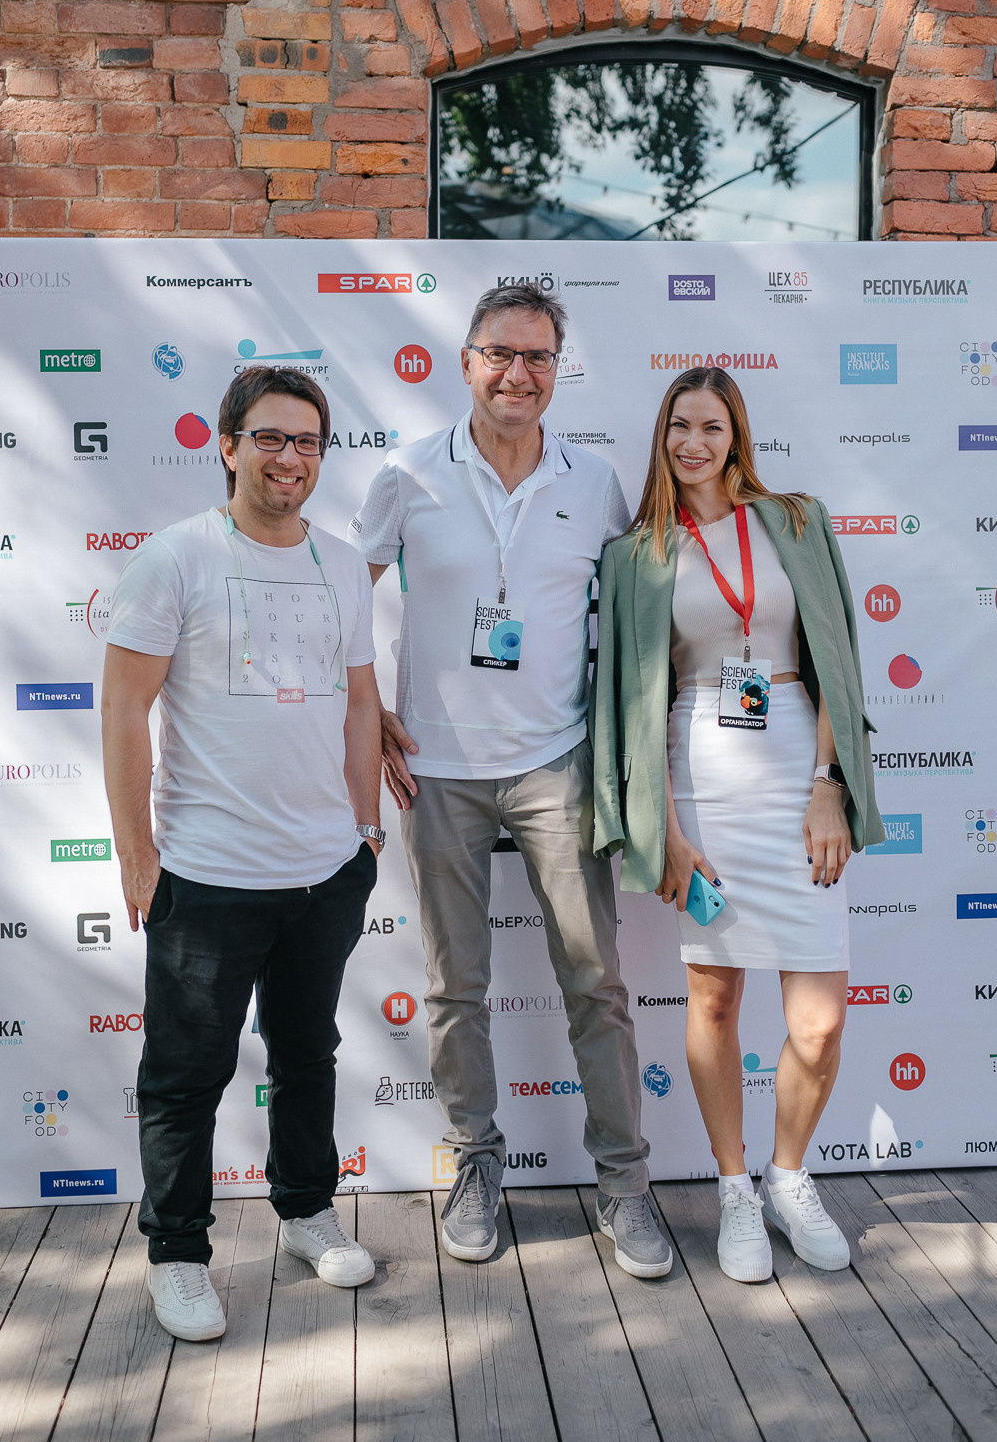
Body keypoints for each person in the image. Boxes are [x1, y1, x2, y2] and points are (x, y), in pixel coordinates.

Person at [348, 283, 672, 1279]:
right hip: (436, 772)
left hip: (555, 765)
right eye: (500, 354)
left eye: (537, 357)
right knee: (455, 988)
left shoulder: (596, 480)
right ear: (465, 361)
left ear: (556, 368)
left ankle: (624, 1186)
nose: (517, 374)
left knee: (596, 982)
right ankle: (476, 1163)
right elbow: (338, 598)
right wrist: (368, 714)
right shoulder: (405, 473)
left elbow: (626, 628)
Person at [101, 366, 384, 1341]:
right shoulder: (175, 558)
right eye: (270, 437)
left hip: (322, 872)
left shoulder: (342, 561)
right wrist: (136, 852)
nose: (289, 457)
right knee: (186, 1073)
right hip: (208, 874)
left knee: (307, 1054)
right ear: (227, 444)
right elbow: (123, 711)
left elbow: (358, 702)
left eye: (307, 442)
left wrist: (364, 832)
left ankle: (306, 1209)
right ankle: (177, 1252)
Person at [591, 366, 883, 1284]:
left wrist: (829, 782)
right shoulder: (637, 553)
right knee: (714, 998)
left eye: (710, 426)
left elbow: (836, 655)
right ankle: (733, 1191)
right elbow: (631, 703)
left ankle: (789, 1176)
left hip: (798, 769)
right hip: (697, 778)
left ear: (736, 434)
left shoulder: (796, 520)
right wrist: (664, 830)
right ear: (660, 436)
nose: (692, 442)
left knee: (818, 1022)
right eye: (677, 425)